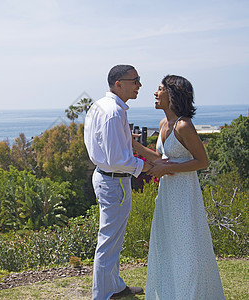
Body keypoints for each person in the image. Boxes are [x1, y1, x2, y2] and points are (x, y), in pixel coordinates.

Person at [132, 75, 225, 299]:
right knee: (168, 245)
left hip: (184, 195)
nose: (155, 93)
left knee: (187, 248)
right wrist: (133, 144)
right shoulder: (164, 124)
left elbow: (202, 161)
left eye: (160, 89)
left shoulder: (184, 126)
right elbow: (160, 158)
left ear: (172, 95)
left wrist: (169, 167)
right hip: (166, 195)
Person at [84, 65, 153, 300]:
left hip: (107, 178)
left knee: (113, 239)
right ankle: (102, 295)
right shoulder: (113, 112)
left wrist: (127, 141)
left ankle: (114, 286)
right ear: (118, 84)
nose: (139, 85)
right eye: (135, 80)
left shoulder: (101, 106)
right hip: (114, 182)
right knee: (109, 241)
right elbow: (117, 159)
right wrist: (148, 168)